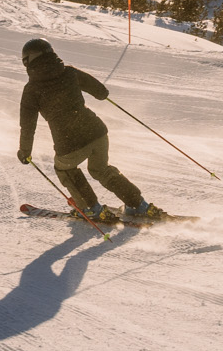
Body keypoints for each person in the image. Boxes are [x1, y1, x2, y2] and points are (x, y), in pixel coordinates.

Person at [16, 37, 163, 223]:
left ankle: (91, 208)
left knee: (65, 169)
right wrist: (94, 93)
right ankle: (138, 205)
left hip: (69, 143)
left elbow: (28, 126)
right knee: (101, 169)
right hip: (97, 132)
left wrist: (25, 151)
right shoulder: (69, 72)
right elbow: (101, 92)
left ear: (28, 61)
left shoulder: (31, 90)